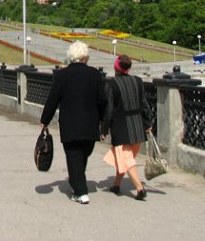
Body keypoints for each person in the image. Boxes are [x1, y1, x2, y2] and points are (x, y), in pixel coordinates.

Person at [40, 41, 107, 205]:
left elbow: (53, 100)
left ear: (71, 56)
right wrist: (103, 121)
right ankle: (79, 186)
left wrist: (45, 120)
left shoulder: (62, 75)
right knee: (83, 153)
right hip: (90, 123)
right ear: (85, 57)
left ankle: (80, 191)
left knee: (74, 155)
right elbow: (103, 100)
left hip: (69, 123)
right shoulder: (94, 74)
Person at [101, 54, 151, 200]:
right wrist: (148, 124)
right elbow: (144, 104)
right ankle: (117, 184)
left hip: (121, 124)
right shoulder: (138, 81)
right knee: (127, 157)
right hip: (137, 123)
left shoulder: (111, 84)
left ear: (116, 67)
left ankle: (139, 188)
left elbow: (108, 109)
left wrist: (104, 129)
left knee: (126, 157)